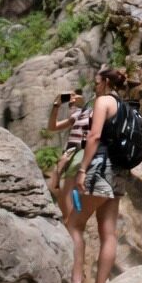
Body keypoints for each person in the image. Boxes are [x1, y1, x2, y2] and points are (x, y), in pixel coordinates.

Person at [67, 67, 131, 283]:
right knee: (109, 232)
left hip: (100, 169)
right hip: (120, 173)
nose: (94, 86)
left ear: (105, 82)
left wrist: (82, 169)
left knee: (74, 224)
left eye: (96, 82)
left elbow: (94, 137)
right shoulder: (126, 107)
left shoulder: (103, 101)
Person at [46, 91, 90, 221]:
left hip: (80, 152)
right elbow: (52, 127)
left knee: (67, 190)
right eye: (69, 104)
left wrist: (83, 103)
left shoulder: (89, 112)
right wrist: (56, 106)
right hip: (69, 152)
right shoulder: (76, 116)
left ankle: (70, 221)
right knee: (54, 186)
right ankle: (70, 218)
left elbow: (92, 133)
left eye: (73, 102)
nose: (71, 105)